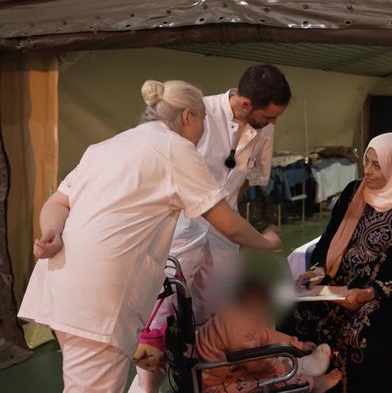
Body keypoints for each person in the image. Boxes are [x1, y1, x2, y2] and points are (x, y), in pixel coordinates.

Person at [18, 79, 281, 393]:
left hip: (62, 284)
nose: (202, 131)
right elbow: (227, 223)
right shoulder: (175, 149)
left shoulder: (109, 146)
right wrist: (265, 242)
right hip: (99, 298)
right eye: (203, 122)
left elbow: (58, 202)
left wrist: (51, 232)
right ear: (188, 116)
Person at [130, 64, 291, 392]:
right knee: (163, 336)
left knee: (211, 333)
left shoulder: (263, 131)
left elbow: (243, 181)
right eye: (269, 116)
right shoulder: (195, 116)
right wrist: (260, 240)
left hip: (222, 243)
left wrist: (234, 220)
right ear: (245, 104)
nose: (272, 124)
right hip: (178, 239)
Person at [279, 133, 392, 393]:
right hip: (340, 283)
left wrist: (370, 292)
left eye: (376, 165)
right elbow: (330, 237)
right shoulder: (354, 191)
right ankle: (310, 384)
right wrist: (317, 271)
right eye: (366, 161)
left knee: (362, 331)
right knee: (295, 313)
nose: (367, 170)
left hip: (388, 292)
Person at [196, 280, 342, 393]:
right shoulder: (238, 329)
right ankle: (314, 384)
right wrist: (280, 368)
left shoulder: (236, 315)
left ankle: (300, 365)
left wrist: (298, 344)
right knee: (275, 378)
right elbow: (255, 362)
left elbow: (266, 335)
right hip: (214, 386)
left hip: (223, 370)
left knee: (268, 357)